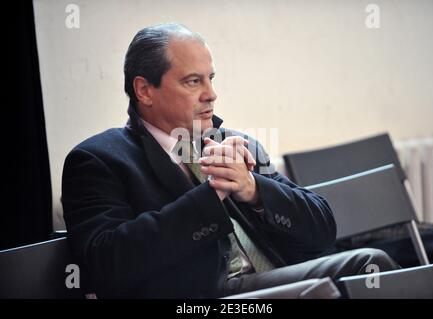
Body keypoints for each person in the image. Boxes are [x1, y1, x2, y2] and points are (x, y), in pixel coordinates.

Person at [61, 23, 399, 298]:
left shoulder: (232, 143)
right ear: (145, 90)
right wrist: (210, 197)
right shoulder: (97, 159)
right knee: (354, 272)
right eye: (193, 81)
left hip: (280, 281)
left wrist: (252, 189)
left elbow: (323, 230)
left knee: (371, 270)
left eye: (211, 78)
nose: (211, 93)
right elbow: (107, 266)